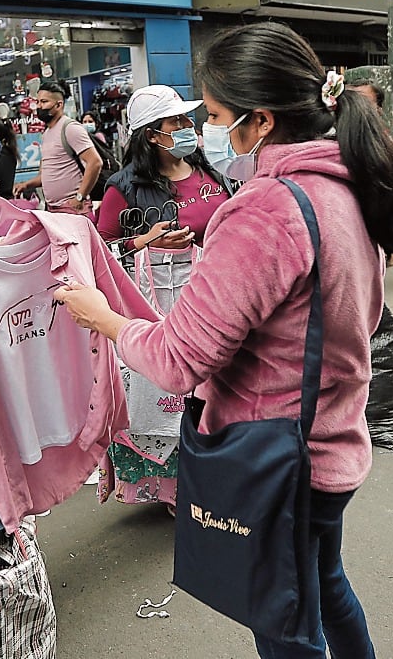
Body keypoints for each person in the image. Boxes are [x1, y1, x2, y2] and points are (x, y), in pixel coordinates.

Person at [53, 21, 393, 659]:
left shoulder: (268, 208)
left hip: (281, 460)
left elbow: (178, 359)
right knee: (323, 584)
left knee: (282, 622)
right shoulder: (345, 185)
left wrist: (106, 318)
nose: (208, 130)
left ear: (261, 121)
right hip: (331, 442)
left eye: (215, 114)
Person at [95, 85, 234, 511]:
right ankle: (174, 489)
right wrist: (146, 240)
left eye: (186, 120)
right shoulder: (124, 188)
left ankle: (217, 472)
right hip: (155, 304)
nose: (188, 127)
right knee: (166, 390)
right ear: (153, 135)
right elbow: (99, 250)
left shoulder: (210, 170)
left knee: (216, 384)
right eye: (176, 122)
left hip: (215, 295)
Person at [13, 80, 102, 214]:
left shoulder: (70, 128)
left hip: (72, 209)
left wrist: (80, 197)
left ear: (58, 105)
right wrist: (26, 185)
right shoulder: (46, 134)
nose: (39, 107)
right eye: (37, 102)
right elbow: (46, 174)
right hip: (53, 209)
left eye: (44, 102)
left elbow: (95, 163)